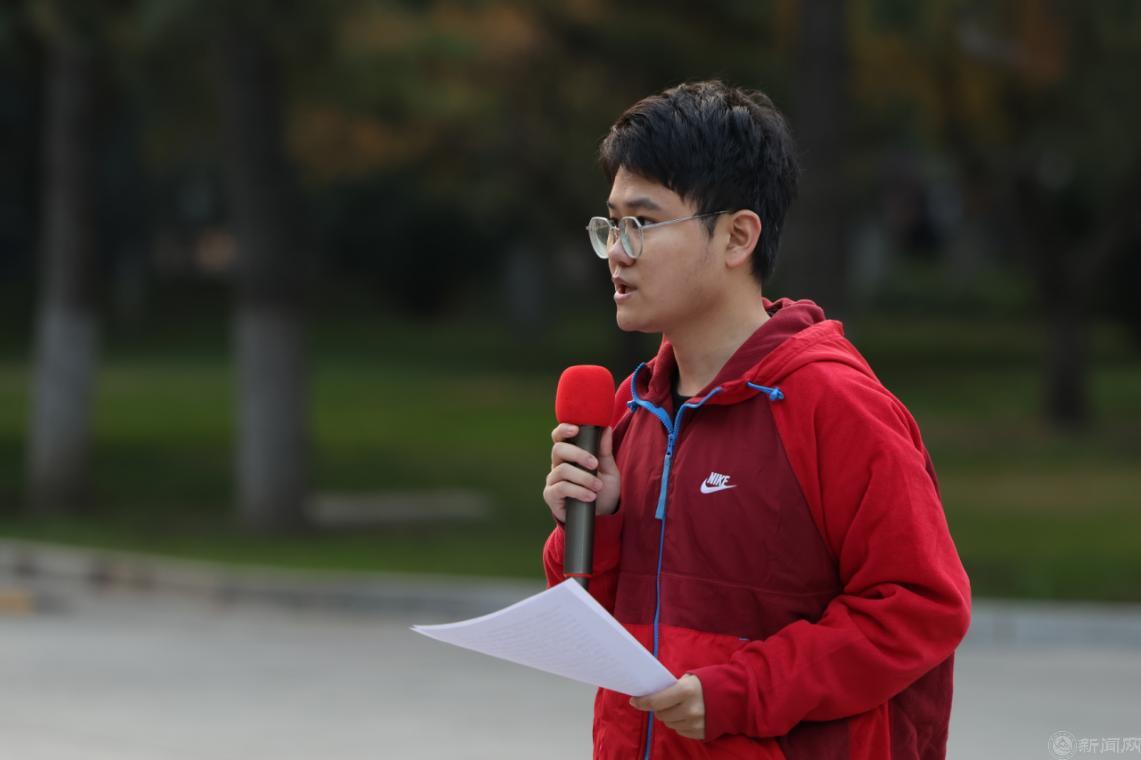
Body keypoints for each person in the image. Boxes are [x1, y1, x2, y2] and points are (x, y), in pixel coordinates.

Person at [540, 80, 972, 760]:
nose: (617, 251)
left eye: (642, 224)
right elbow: (596, 623)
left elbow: (921, 605)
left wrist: (739, 693)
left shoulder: (832, 404)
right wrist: (596, 523)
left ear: (737, 236)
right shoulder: (630, 409)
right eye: (610, 225)